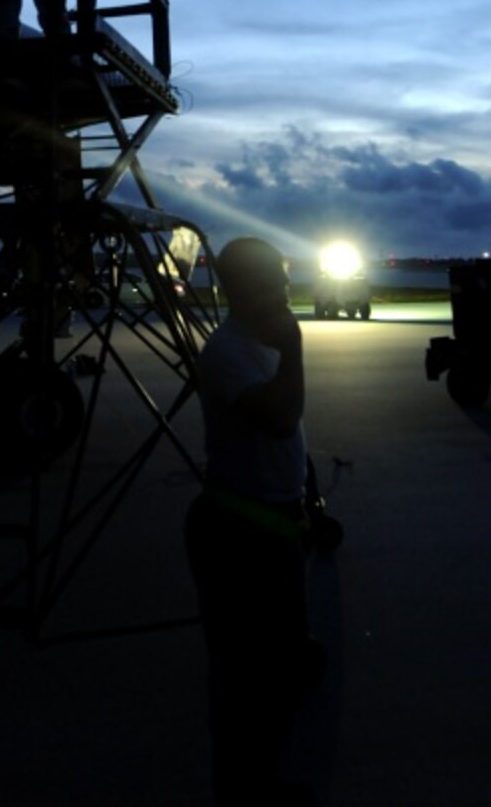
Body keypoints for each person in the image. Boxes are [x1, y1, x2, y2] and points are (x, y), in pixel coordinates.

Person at [186, 238, 321, 805]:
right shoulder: (230, 352)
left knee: (276, 671)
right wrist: (294, 349)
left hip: (270, 526)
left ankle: (261, 779)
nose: (284, 292)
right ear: (236, 290)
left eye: (284, 279)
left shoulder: (258, 343)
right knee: (246, 680)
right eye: (270, 282)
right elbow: (281, 418)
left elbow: (291, 443)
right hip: (241, 534)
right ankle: (245, 790)